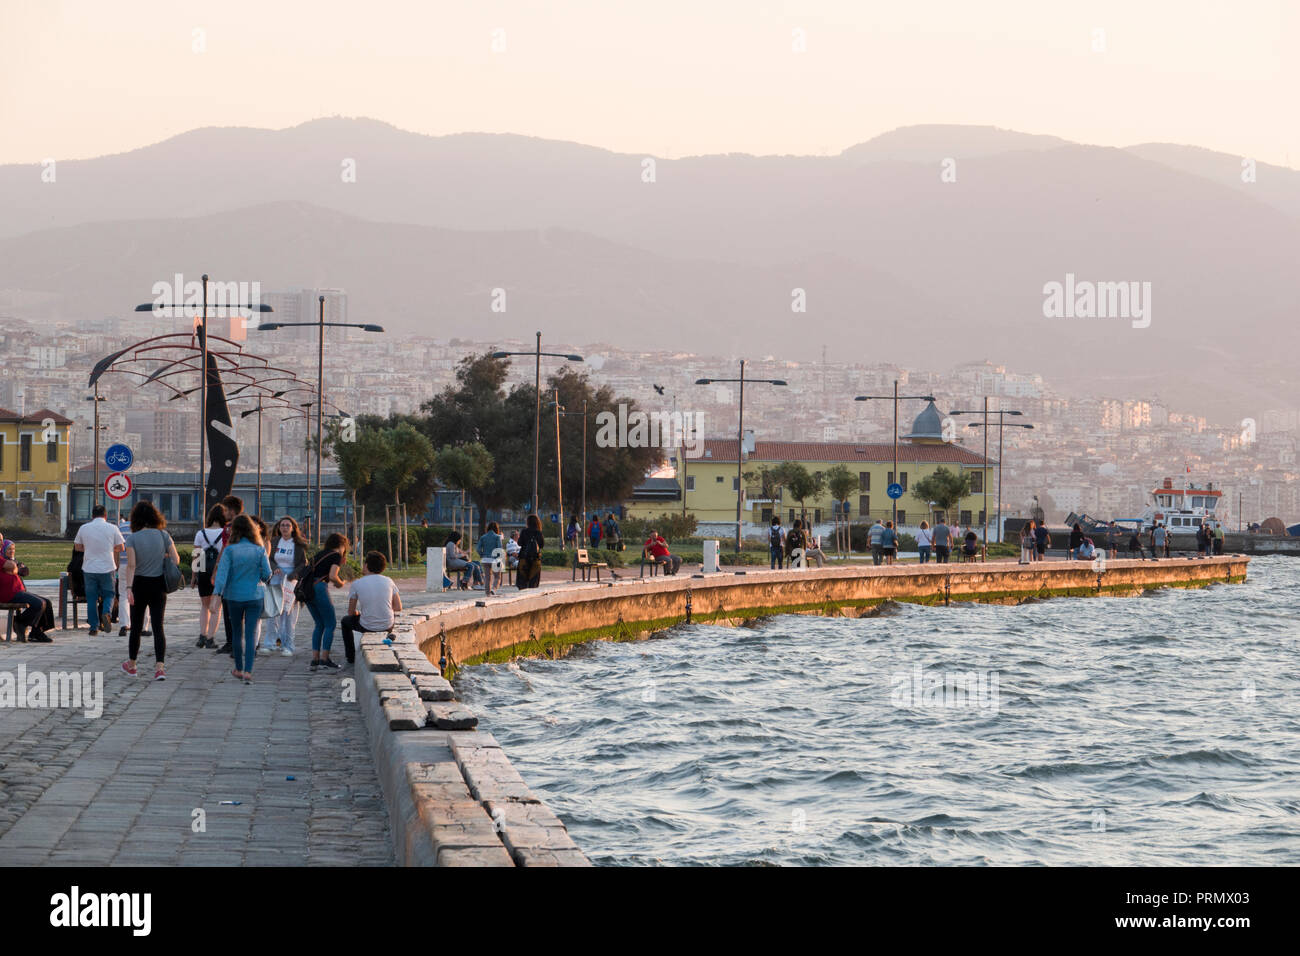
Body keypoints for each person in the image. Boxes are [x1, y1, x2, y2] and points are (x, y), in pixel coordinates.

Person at [120, 500, 180, 681]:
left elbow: (131, 566)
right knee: (158, 626)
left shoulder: (132, 538)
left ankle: (132, 665)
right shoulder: (164, 535)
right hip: (159, 585)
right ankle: (160, 668)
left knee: (136, 627)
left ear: (135, 519)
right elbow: (176, 560)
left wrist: (129, 588)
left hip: (139, 584)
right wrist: (164, 556)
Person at [212, 514, 271, 683]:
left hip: (234, 596)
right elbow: (267, 574)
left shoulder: (230, 550)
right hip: (255, 595)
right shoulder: (259, 549)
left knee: (237, 633)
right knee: (251, 633)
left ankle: (238, 668)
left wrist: (217, 594)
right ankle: (248, 671)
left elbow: (221, 575)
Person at [340, 551, 403, 663]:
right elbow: (398, 607)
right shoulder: (389, 581)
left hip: (367, 626)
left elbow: (350, 612)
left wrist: (358, 613)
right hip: (387, 625)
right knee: (391, 616)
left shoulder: (357, 584)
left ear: (367, 565)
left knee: (345, 621)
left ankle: (351, 657)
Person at [73, 504, 125, 636]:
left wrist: (90, 548)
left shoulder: (84, 528)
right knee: (109, 594)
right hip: (107, 567)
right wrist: (110, 549)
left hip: (89, 568)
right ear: (106, 516)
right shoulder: (112, 528)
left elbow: (78, 547)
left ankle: (93, 627)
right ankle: (106, 613)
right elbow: (121, 547)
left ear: (92, 516)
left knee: (91, 598)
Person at [302, 532, 349, 670]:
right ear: (342, 545)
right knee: (330, 623)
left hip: (307, 590)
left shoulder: (320, 554)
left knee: (319, 624)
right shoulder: (336, 556)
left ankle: (315, 658)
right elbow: (333, 576)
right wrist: (341, 583)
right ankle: (324, 658)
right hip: (319, 589)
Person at [267, 516, 307, 657]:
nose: (284, 528)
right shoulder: (274, 542)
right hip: (276, 578)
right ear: (279, 527)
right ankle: (270, 643)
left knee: (288, 614)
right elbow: (269, 558)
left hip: (291, 581)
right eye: (282, 525)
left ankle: (288, 645)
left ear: (293, 528)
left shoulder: (298, 544)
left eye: (287, 525)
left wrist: (295, 574)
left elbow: (303, 563)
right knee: (273, 612)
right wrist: (274, 567)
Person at [192, 505, 227, 649]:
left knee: (205, 606)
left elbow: (196, 556)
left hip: (203, 572)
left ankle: (202, 635)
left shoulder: (200, 533)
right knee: (216, 607)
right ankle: (211, 638)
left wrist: (194, 577)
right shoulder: (226, 533)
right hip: (218, 572)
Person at [215, 495, 245, 656]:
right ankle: (230, 642)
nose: (224, 513)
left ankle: (237, 644)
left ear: (232, 511)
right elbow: (224, 548)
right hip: (230, 572)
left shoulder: (241, 527)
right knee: (227, 608)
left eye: (226, 510)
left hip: (238, 572)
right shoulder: (228, 527)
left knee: (236, 610)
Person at [0, 552, 53, 642]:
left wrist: (14, 568)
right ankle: (20, 622)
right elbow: (13, 566)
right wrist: (15, 568)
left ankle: (36, 632)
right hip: (8, 594)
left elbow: (18, 569)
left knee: (47, 602)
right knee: (39, 603)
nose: (0, 543)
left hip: (17, 591)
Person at [516, 514, 545, 589]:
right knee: (533, 580)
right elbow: (542, 545)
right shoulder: (539, 532)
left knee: (522, 580)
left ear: (528, 522)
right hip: (535, 559)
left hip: (524, 558)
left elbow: (519, 543)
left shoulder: (524, 531)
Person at [477, 522, 505, 597]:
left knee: (487, 578)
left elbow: (478, 549)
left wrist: (482, 555)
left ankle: (487, 594)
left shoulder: (483, 537)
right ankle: (494, 589)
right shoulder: (497, 537)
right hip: (495, 559)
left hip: (485, 559)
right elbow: (499, 549)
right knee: (497, 576)